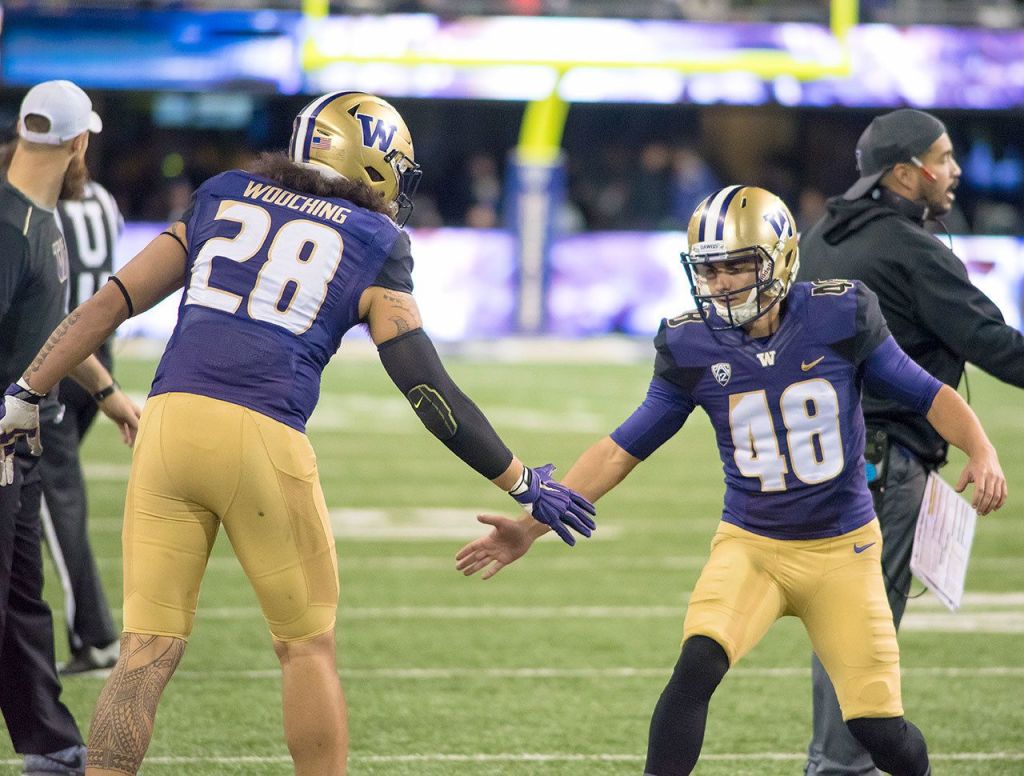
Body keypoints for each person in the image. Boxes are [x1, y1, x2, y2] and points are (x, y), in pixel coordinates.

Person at [0, 90, 595, 776]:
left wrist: (26, 391)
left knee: (144, 651)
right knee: (305, 649)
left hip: (167, 427)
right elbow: (426, 386)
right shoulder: (376, 241)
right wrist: (520, 479)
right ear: (372, 163)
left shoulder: (224, 193)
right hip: (262, 435)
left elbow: (108, 303)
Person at [455, 185, 1007, 776]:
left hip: (843, 551)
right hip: (752, 547)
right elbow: (621, 449)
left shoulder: (839, 313)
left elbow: (926, 392)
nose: (720, 283)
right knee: (696, 668)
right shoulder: (691, 343)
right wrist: (529, 528)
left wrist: (979, 447)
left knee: (878, 729)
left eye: (736, 266)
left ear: (782, 257)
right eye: (709, 270)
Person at [798, 108, 1024, 776]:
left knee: (843, 624)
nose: (954, 170)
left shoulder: (824, 234)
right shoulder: (909, 248)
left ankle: (833, 762)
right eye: (944, 157)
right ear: (905, 171)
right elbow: (995, 346)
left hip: (822, 453)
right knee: (862, 629)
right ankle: (841, 767)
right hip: (884, 460)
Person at [0, 80, 139, 776]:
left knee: (23, 601)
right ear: (78, 141)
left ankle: (50, 744)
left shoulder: (40, 215)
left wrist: (108, 392)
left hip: (18, 447)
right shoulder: (10, 226)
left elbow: (52, 331)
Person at [45, 180, 125, 675]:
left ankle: (94, 636)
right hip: (101, 363)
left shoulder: (31, 198)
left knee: (57, 500)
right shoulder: (103, 197)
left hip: (57, 363)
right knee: (40, 494)